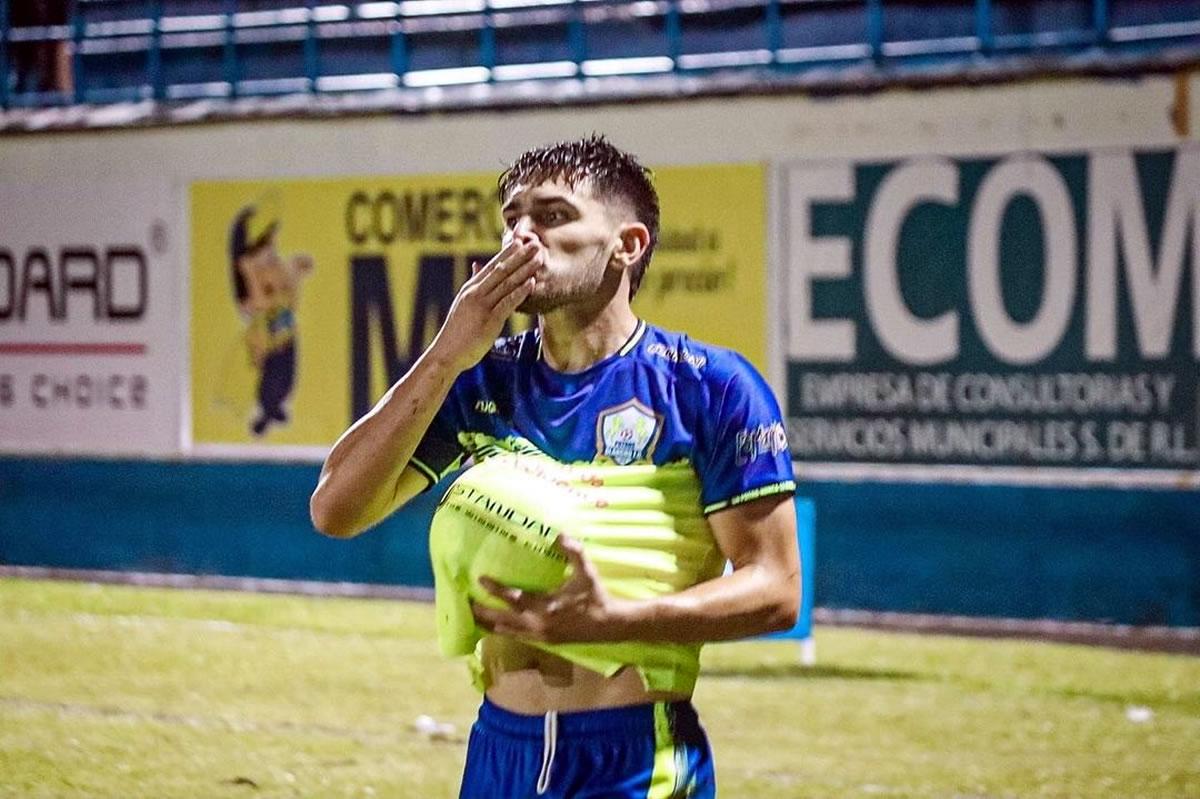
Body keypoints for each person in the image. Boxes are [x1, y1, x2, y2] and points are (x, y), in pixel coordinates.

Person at [311, 134, 800, 798]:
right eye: (512, 219)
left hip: (634, 760)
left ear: (628, 245)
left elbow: (776, 588)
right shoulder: (482, 377)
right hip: (497, 753)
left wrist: (615, 624)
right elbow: (335, 507)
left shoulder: (710, 387)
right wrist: (447, 352)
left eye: (553, 215)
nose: (521, 235)